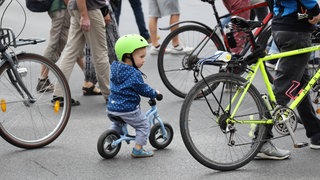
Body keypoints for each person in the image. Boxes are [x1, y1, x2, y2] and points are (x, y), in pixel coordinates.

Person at [270, 0, 320, 150]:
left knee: (301, 86)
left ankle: (316, 133)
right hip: (296, 32)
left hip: (280, 27)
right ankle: (260, 139)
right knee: (282, 91)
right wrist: (316, 10)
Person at [107, 34, 159, 158]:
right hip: (127, 109)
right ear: (128, 57)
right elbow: (143, 89)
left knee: (118, 122)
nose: (144, 60)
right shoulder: (133, 74)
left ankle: (110, 136)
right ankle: (138, 149)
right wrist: (154, 93)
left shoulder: (115, 67)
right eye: (141, 57)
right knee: (143, 125)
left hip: (112, 108)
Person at [52, 0, 111, 105]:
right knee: (100, 53)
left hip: (77, 7)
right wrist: (84, 15)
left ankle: (59, 94)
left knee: (70, 52)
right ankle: (109, 95)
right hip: (89, 9)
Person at [36, 0, 84, 93]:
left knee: (74, 42)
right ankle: (42, 79)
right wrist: (71, 7)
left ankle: (89, 78)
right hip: (61, 9)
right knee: (56, 44)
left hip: (60, 8)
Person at [82, 1, 119, 96]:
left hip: (86, 8)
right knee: (111, 43)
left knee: (91, 46)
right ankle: (120, 80)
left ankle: (89, 81)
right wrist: (105, 11)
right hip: (97, 6)